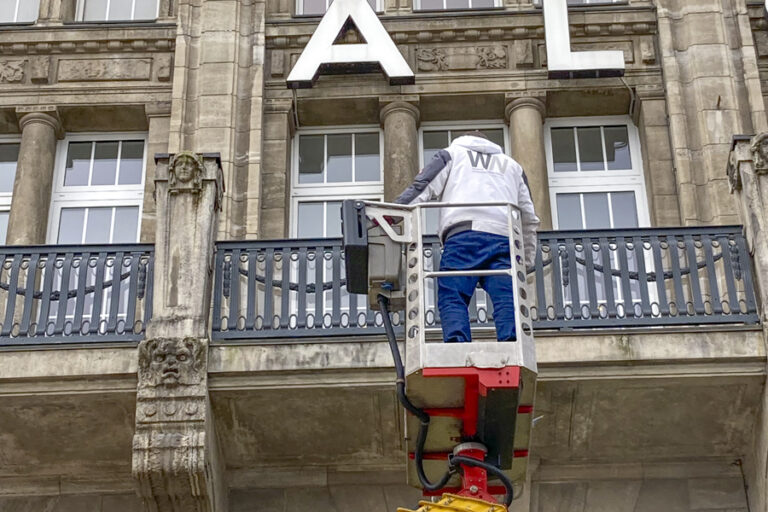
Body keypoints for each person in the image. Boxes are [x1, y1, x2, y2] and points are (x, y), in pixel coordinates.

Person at [394, 131, 540, 343]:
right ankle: (512, 343)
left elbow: (421, 189)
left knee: (453, 293)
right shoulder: (513, 167)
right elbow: (528, 218)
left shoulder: (451, 154)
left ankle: (457, 344)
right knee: (506, 296)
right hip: (503, 237)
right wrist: (524, 261)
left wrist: (390, 216)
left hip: (464, 236)